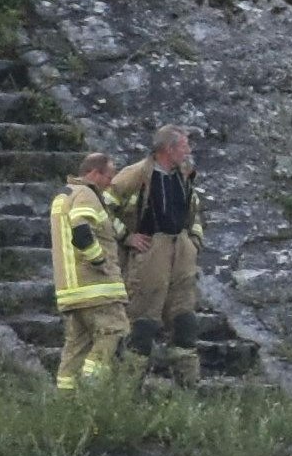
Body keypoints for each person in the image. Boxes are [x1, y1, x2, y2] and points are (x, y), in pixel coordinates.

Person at [110, 126, 207, 386]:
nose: (188, 151)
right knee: (142, 323)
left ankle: (189, 387)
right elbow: (102, 207)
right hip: (151, 253)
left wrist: (194, 241)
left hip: (182, 253)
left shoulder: (184, 175)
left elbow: (194, 212)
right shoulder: (136, 174)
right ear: (168, 149)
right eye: (184, 146)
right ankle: (127, 390)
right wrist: (126, 236)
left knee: (185, 321)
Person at [48, 151, 129, 393]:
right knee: (112, 331)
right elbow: (81, 230)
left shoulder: (64, 195)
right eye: (109, 175)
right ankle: (92, 392)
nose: (111, 182)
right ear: (94, 173)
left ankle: (66, 403)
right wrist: (100, 261)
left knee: (75, 349)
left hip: (71, 291)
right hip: (95, 288)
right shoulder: (86, 194)